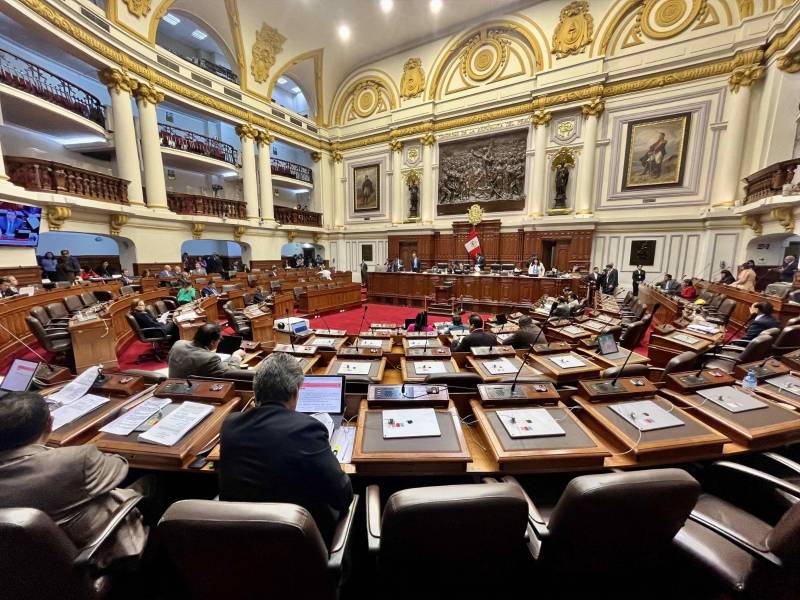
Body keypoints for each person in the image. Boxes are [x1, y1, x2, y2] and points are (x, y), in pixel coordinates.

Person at [219, 353, 353, 546]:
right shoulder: (308, 428)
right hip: (299, 544)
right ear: (295, 393)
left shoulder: (230, 425)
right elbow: (343, 495)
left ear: (256, 390)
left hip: (242, 542)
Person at [0, 391, 147, 566]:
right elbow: (119, 466)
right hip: (84, 562)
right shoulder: (76, 461)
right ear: (50, 424)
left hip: (16, 568)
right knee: (153, 483)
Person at [168, 323, 246, 378]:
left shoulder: (178, 344)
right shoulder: (210, 358)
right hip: (191, 391)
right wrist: (236, 356)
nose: (219, 341)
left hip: (171, 385)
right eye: (219, 339)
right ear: (212, 342)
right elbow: (232, 373)